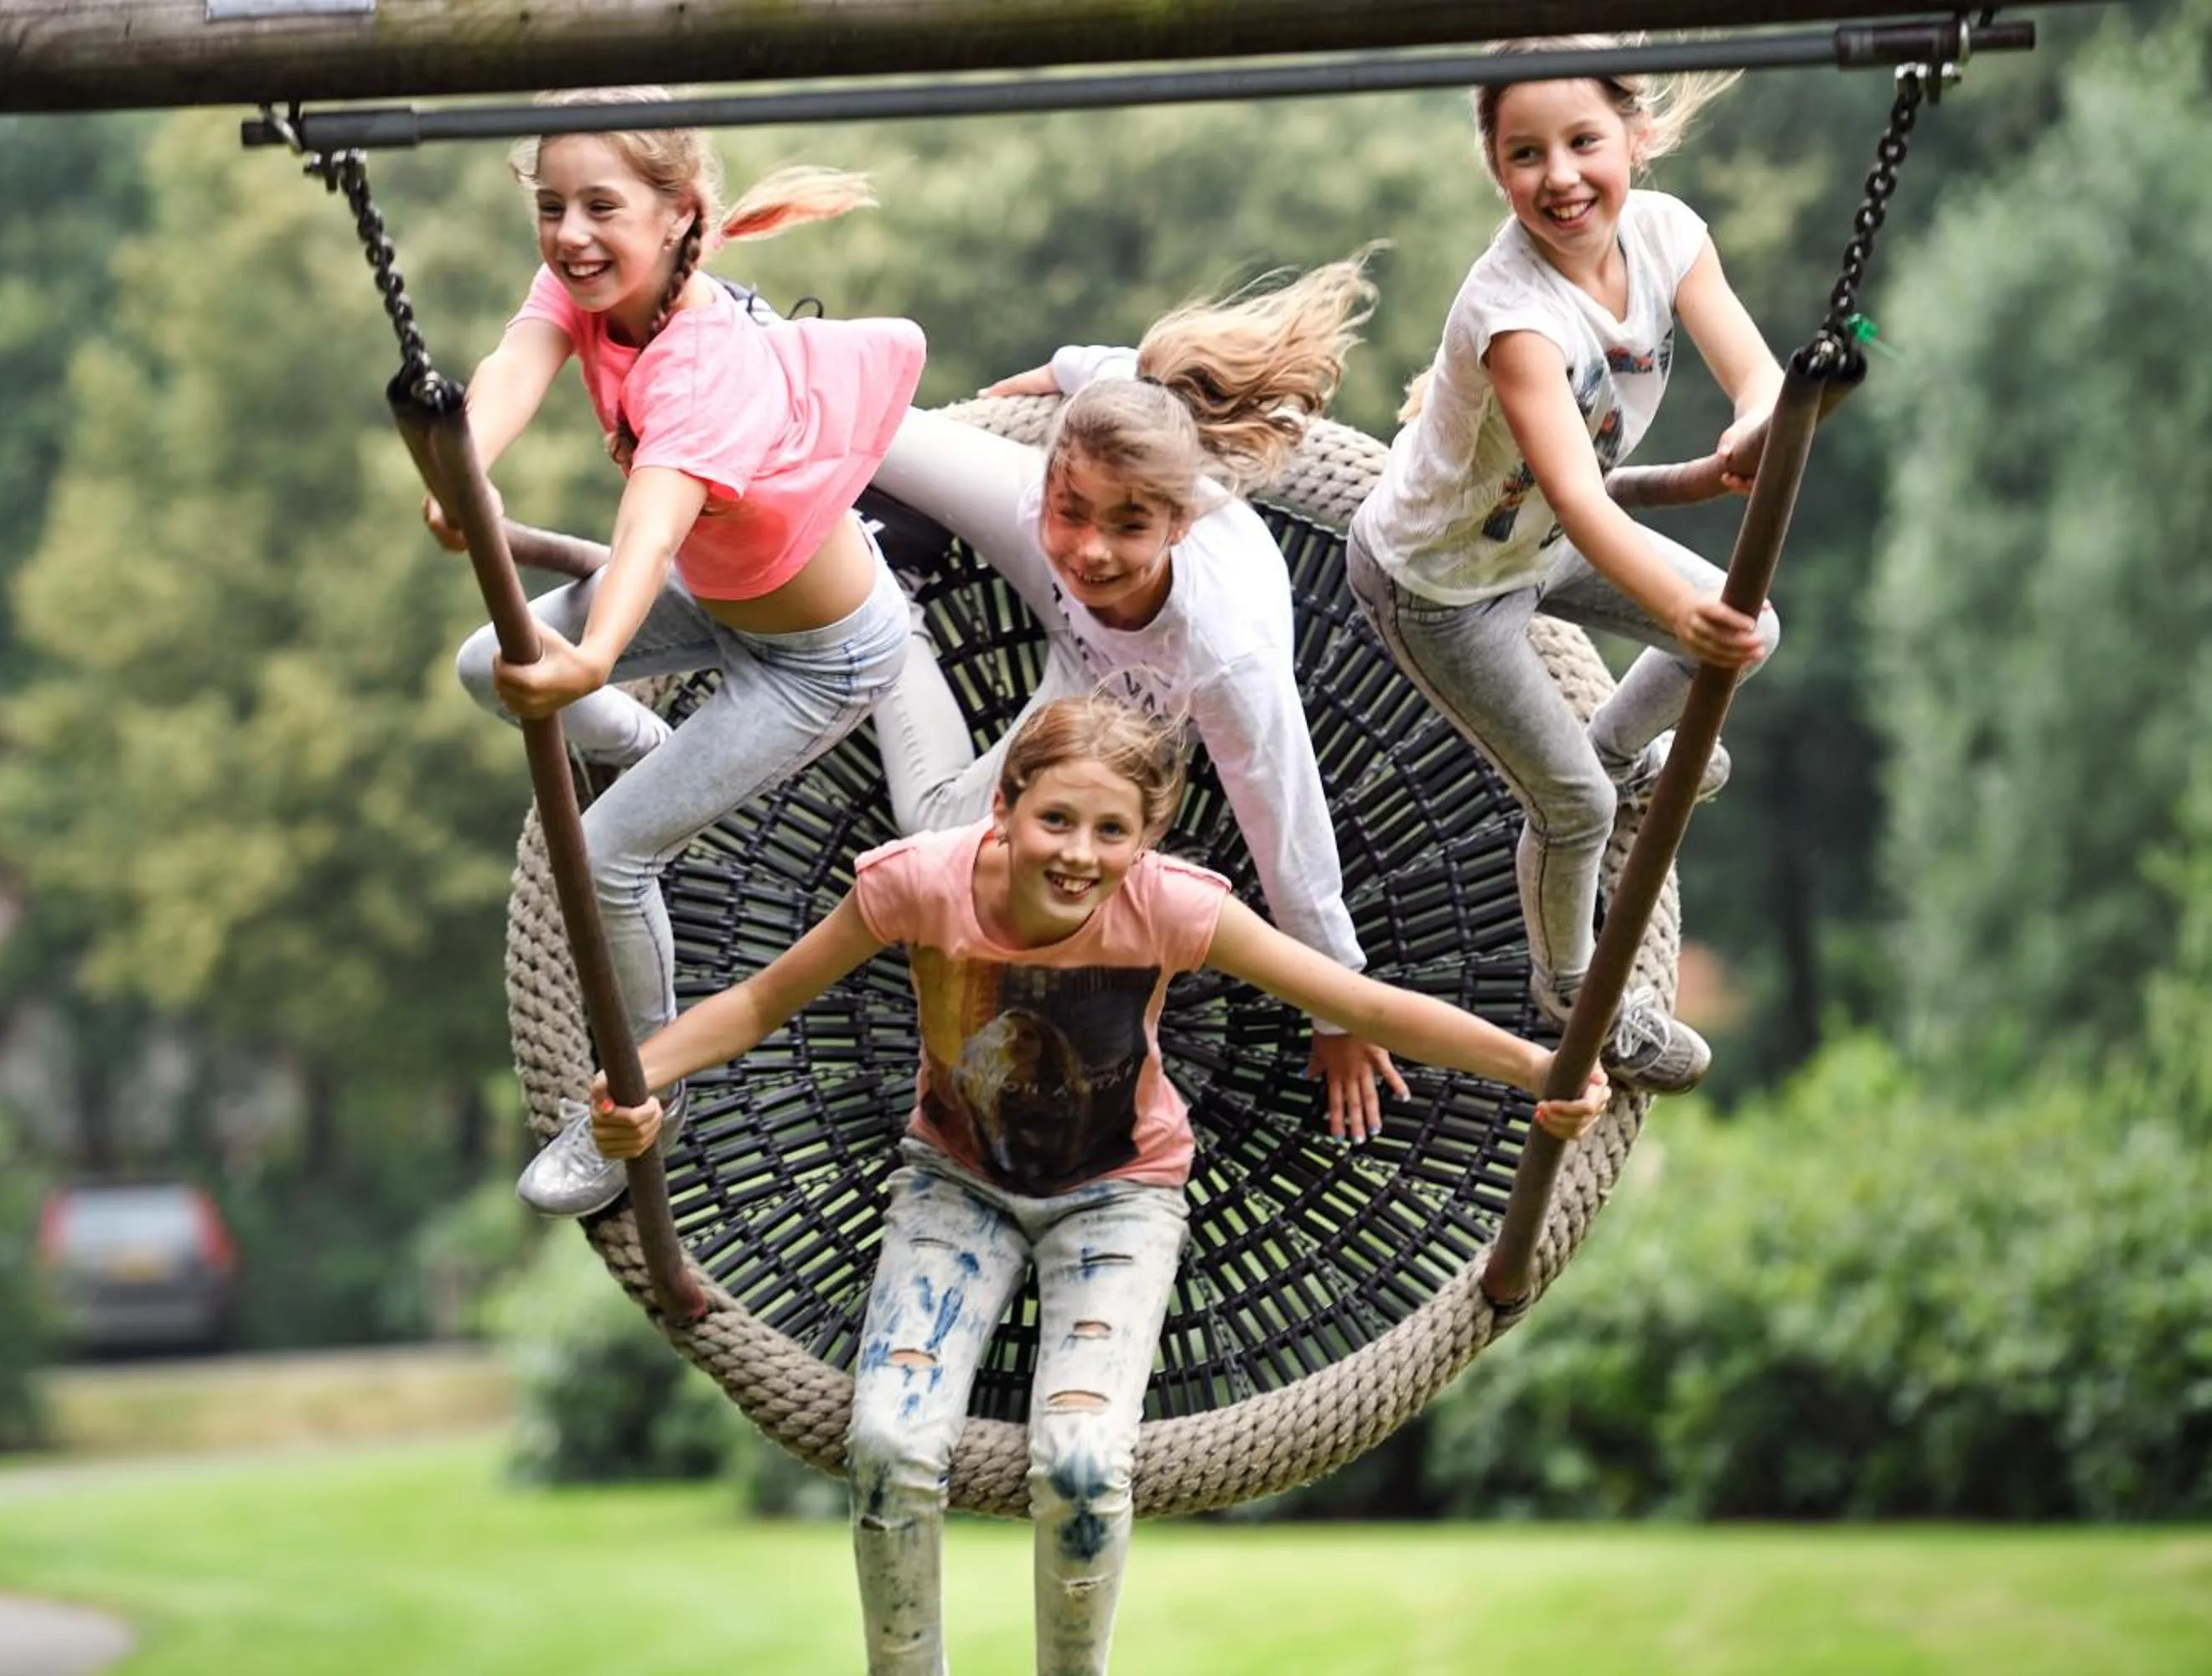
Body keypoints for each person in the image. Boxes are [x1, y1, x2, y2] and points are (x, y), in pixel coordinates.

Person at [586, 695, 1610, 1676]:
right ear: (1006, 804)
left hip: (1119, 1195)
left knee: (1079, 1462)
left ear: (1147, 838)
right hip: (957, 1184)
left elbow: (1358, 1000)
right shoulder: (916, 886)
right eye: (1056, 818)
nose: (1079, 851)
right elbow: (764, 999)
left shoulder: (1171, 906)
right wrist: (640, 1078)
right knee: (891, 1441)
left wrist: (1536, 1069)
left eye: (1111, 829)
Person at [436, 91, 926, 1217]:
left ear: (678, 217)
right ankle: (663, 752)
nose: (569, 233)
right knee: (482, 664)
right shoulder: (588, 280)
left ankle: (636, 1103)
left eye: (600, 207)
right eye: (551, 206)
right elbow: (514, 365)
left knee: (605, 852)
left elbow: (652, 522)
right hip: (720, 597)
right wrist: (460, 474)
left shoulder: (707, 363)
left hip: (817, 654)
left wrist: (596, 653)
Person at [864, 254, 1410, 1141]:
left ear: (1177, 522)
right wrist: (1056, 375)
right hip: (1046, 564)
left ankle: (878, 611)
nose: (1094, 549)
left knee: (934, 833)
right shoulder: (1069, 496)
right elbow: (1107, 374)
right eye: (1075, 510)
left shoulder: (1224, 658)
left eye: (1129, 526)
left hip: (1111, 687)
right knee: (871, 431)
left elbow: (1290, 831)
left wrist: (1340, 1010)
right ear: (1052, 480)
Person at [1346, 39, 1782, 1092]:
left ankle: (1623, 751)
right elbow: (1583, 501)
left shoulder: (1670, 236)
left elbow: (1757, 373)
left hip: (1533, 533)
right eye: (1526, 153)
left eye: (1584, 141)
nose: (1561, 176)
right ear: (1498, 170)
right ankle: (1582, 995)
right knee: (1574, 806)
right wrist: (1686, 606)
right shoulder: (1516, 317)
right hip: (1442, 585)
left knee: (1754, 632)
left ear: (1634, 135)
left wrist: (1758, 427)